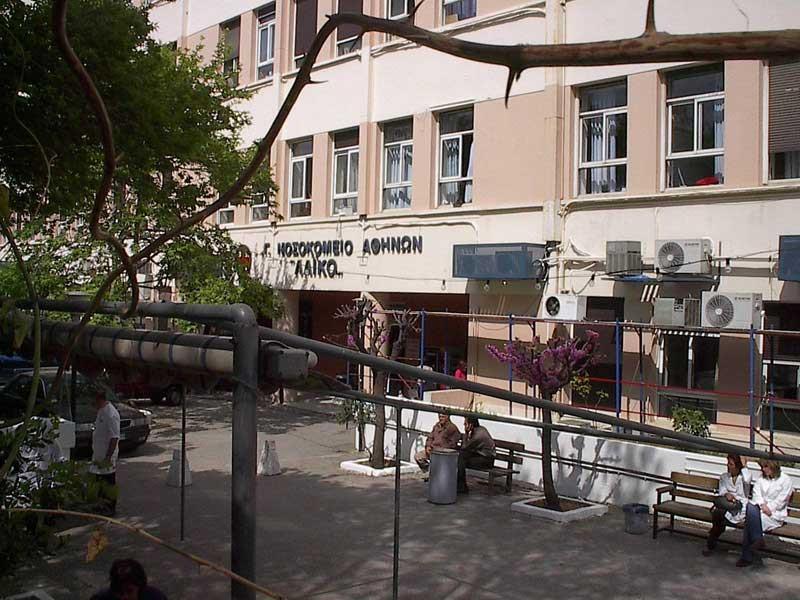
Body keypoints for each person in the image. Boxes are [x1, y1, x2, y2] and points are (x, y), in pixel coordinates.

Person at [736, 458, 794, 567]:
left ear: (773, 466)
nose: (763, 469)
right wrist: (763, 505)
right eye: (762, 467)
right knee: (750, 507)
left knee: (749, 523)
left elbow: (782, 500)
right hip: (761, 510)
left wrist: (770, 508)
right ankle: (758, 539)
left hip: (774, 515)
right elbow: (756, 494)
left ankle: (746, 556)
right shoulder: (761, 479)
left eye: (766, 466)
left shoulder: (785, 480)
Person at [702, 454, 751, 556]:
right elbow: (722, 491)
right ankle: (712, 540)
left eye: (731, 464)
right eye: (728, 463)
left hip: (739, 507)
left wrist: (745, 466)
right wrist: (727, 494)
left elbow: (747, 479)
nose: (728, 466)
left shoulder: (743, 478)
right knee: (719, 512)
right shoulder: (724, 476)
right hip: (726, 505)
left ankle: (712, 539)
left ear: (737, 466)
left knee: (718, 515)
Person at [90, 390, 121, 515]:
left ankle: (110, 508)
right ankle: (101, 505)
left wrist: (108, 457)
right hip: (98, 453)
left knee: (108, 482)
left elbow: (114, 437)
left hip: (107, 455)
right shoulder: (101, 411)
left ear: (100, 399)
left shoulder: (110, 414)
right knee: (99, 481)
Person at [91, 558, 168, 600]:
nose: (124, 597)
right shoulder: (101, 598)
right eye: (119, 592)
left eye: (130, 591)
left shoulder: (156, 597)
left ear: (140, 588)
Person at [457, 416, 495, 494]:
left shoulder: (478, 435)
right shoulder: (479, 429)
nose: (464, 425)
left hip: (487, 460)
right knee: (461, 458)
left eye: (466, 423)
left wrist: (466, 433)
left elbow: (464, 447)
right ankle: (461, 485)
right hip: (480, 456)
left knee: (461, 459)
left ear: (471, 424)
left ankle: (461, 486)